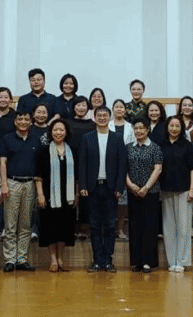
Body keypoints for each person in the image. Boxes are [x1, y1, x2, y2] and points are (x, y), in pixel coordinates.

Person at [78, 105, 127, 272]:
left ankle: (108, 260)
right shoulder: (87, 138)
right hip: (92, 188)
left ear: (109, 117)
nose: (102, 118)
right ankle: (97, 260)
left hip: (110, 188)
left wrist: (119, 187)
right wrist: (82, 185)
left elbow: (122, 165)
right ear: (94, 117)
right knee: (94, 226)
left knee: (110, 225)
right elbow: (82, 163)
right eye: (99, 115)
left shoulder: (117, 138)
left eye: (105, 115)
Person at [0, 111, 42, 272]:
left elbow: (39, 164)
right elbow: (2, 162)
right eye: (20, 119)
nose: (23, 121)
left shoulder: (35, 140)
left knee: (25, 224)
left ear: (30, 122)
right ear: (15, 122)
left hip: (30, 184)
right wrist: (4, 184)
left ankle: (22, 259)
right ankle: (10, 259)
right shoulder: (7, 139)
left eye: (26, 119)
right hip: (12, 183)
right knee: (10, 224)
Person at [35, 119, 78, 272]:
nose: (58, 133)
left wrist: (76, 195)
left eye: (61, 130)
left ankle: (61, 258)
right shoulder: (43, 151)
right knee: (50, 227)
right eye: (55, 130)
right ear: (51, 132)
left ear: (66, 132)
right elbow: (38, 176)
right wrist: (40, 195)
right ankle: (53, 259)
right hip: (49, 196)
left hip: (68, 196)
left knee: (64, 227)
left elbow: (77, 176)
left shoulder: (73, 150)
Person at [160, 115, 193, 272]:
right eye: (171, 125)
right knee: (169, 228)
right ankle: (172, 261)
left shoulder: (187, 145)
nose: (174, 129)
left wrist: (192, 189)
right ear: (167, 127)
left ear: (181, 128)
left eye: (177, 126)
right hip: (165, 190)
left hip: (184, 190)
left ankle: (182, 261)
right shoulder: (161, 145)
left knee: (183, 227)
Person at [125, 118, 164, 273]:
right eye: (136, 128)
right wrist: (130, 185)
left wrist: (146, 187)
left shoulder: (155, 147)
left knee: (150, 226)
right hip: (133, 192)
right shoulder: (128, 147)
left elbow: (158, 169)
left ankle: (148, 261)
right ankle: (137, 261)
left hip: (151, 193)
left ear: (148, 130)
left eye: (142, 128)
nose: (139, 131)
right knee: (135, 227)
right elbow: (123, 168)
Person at [68, 96, 96, 240]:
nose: (81, 108)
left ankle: (84, 229)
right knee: (70, 196)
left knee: (86, 198)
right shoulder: (67, 122)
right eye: (78, 105)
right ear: (74, 107)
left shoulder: (92, 124)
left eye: (83, 105)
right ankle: (70, 228)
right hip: (69, 163)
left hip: (88, 165)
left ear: (88, 107)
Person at [109, 99, 134, 239]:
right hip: (109, 166)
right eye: (116, 107)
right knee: (110, 200)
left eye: (121, 107)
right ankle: (110, 229)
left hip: (125, 165)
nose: (119, 109)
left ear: (125, 110)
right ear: (113, 109)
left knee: (123, 202)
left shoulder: (130, 127)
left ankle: (120, 229)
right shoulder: (107, 125)